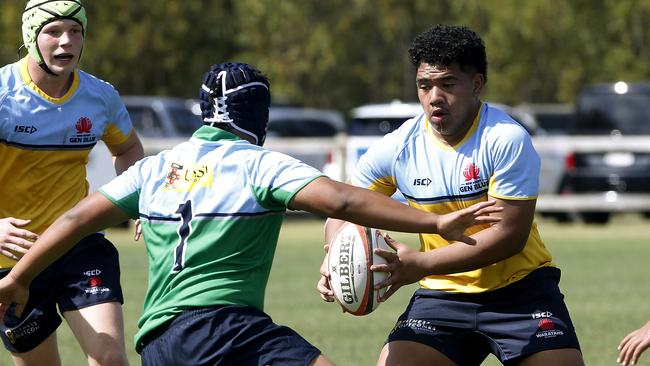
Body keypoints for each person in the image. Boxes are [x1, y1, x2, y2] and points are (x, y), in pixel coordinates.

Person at [0, 61, 503, 366]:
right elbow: (344, 200)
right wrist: (435, 223)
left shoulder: (154, 169)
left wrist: (19, 277)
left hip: (157, 345)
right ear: (256, 116)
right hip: (226, 329)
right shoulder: (259, 165)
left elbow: (70, 222)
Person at [317, 24, 585, 365]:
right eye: (424, 85)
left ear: (476, 84)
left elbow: (509, 236)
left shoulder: (504, 139)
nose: (434, 97)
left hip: (521, 292)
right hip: (442, 297)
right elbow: (346, 206)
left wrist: (421, 264)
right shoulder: (400, 147)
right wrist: (334, 255)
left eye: (447, 84)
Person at [0, 0, 144, 365]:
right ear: (31, 36)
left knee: (110, 358)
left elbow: (127, 148)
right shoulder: (3, 95)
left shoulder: (100, 96)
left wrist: (139, 200)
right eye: (53, 31)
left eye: (75, 31)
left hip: (77, 244)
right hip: (13, 259)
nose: (66, 42)